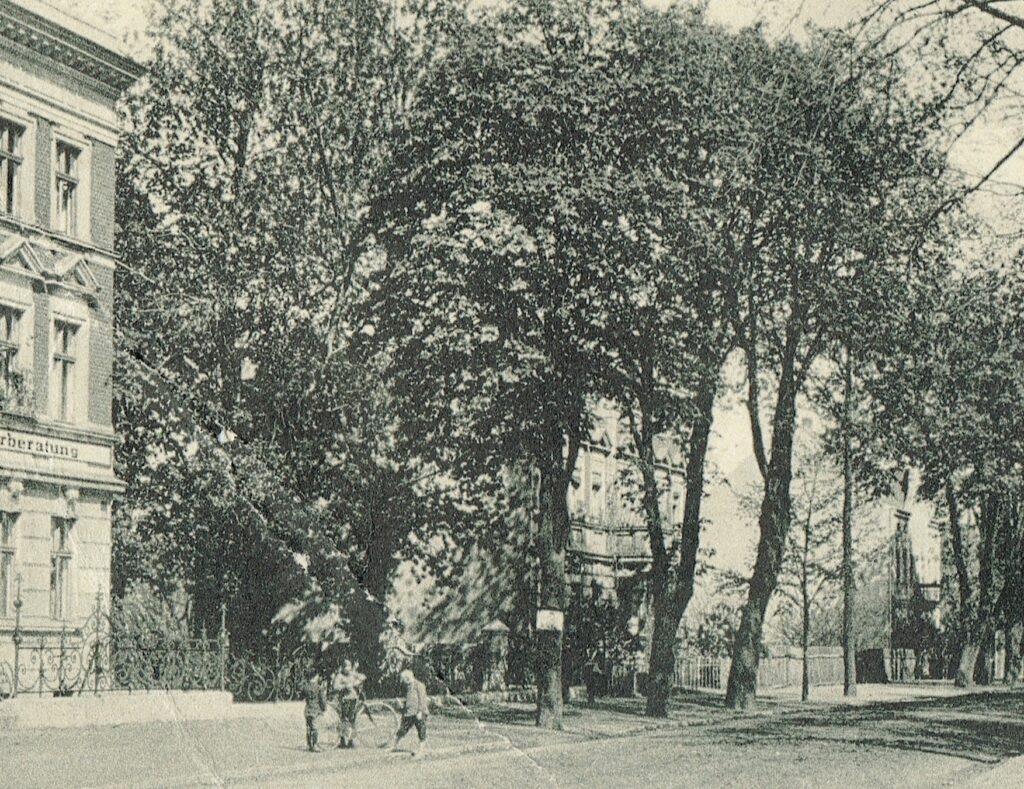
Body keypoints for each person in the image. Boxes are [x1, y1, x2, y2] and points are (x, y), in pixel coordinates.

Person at [389, 668, 429, 756]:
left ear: (407, 678)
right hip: (409, 713)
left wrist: (420, 711)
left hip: (418, 713)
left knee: (421, 731)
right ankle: (393, 746)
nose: (402, 681)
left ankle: (421, 750)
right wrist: (402, 706)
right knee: (402, 730)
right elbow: (409, 701)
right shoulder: (408, 687)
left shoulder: (419, 685)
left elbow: (422, 700)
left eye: (403, 679)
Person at [332, 660, 366, 749]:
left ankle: (351, 740)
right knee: (344, 720)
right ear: (343, 668)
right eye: (346, 667)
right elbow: (335, 687)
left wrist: (356, 682)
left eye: (349, 666)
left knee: (352, 720)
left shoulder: (352, 674)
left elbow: (363, 677)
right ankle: (343, 740)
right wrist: (345, 686)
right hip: (344, 700)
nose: (348, 669)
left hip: (353, 699)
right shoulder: (339, 676)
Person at [302, 673, 328, 752]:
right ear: (314, 677)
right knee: (314, 727)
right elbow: (322, 700)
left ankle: (309, 744)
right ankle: (314, 745)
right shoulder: (318, 688)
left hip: (307, 709)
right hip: (315, 709)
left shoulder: (305, 687)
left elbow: (302, 696)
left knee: (308, 727)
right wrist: (324, 708)